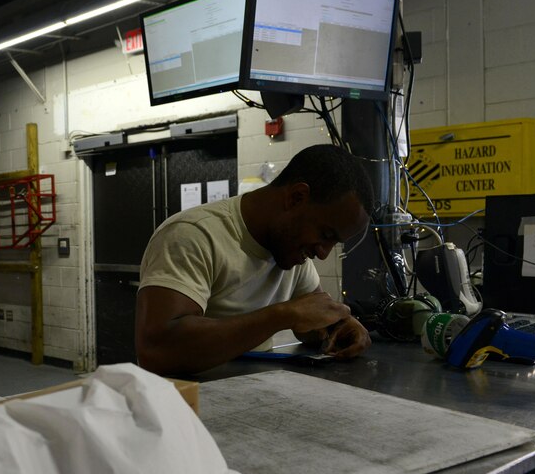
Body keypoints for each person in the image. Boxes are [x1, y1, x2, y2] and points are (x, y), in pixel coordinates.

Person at [135, 143, 374, 377]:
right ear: (296, 197)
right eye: (326, 235)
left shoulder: (292, 251)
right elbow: (157, 350)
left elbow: (310, 323)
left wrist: (337, 326)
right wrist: (283, 315)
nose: (323, 253)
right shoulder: (193, 234)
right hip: (189, 400)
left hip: (252, 395)